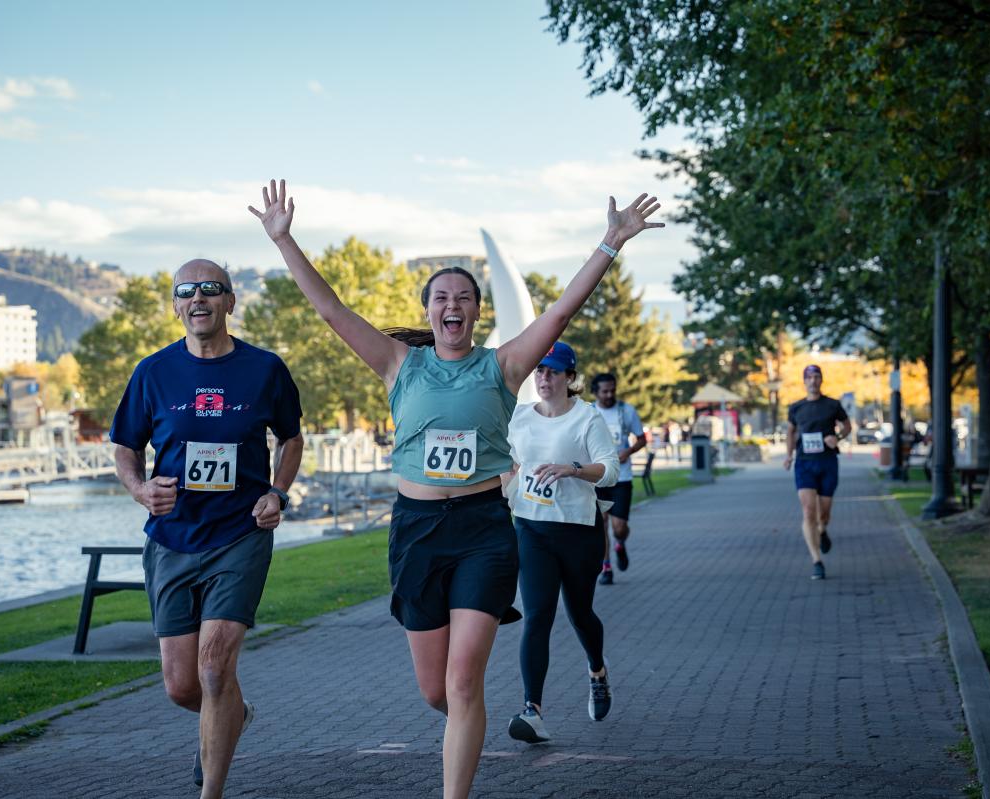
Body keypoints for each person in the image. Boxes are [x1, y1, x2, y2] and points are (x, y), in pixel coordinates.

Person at [250, 178, 662, 798]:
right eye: (441, 297)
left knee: (465, 682)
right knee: (436, 691)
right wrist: (284, 240)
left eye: (464, 297)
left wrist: (611, 242)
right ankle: (467, 723)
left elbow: (559, 313)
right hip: (417, 532)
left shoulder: (504, 366)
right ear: (428, 311)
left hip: (482, 531)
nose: (452, 305)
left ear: (476, 312)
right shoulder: (398, 364)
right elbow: (332, 311)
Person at [110, 258, 304, 798]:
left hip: (240, 534)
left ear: (230, 301)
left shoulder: (264, 368)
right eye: (187, 291)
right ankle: (233, 715)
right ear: (176, 306)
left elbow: (291, 439)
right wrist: (140, 489)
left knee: (215, 668)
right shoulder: (153, 372)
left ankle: (210, 791)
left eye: (211, 289)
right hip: (172, 538)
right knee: (182, 686)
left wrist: (277, 492)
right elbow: (125, 447)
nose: (198, 298)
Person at [502, 341, 619, 744]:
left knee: (580, 613)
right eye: (539, 370)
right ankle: (531, 710)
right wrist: (505, 486)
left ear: (570, 378)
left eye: (553, 371)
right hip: (532, 528)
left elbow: (610, 469)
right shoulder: (520, 417)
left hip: (578, 529)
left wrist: (573, 469)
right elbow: (508, 462)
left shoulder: (586, 419)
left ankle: (597, 670)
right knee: (538, 616)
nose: (544, 377)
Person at [783, 364, 851, 580]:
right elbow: (790, 432)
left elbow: (847, 426)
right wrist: (788, 455)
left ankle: (822, 530)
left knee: (824, 513)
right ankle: (816, 561)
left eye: (816, 377)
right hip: (804, 463)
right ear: (804, 381)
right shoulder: (796, 408)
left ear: (821, 380)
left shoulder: (832, 405)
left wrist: (837, 437)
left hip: (827, 462)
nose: (813, 381)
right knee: (808, 511)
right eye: (809, 377)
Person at [590, 373, 646, 584]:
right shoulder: (588, 412)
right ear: (595, 392)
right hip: (597, 477)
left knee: (619, 527)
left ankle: (620, 543)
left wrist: (628, 452)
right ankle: (606, 567)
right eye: (605, 391)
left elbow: (642, 439)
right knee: (602, 523)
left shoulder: (627, 411)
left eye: (612, 390)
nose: (609, 394)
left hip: (622, 477)